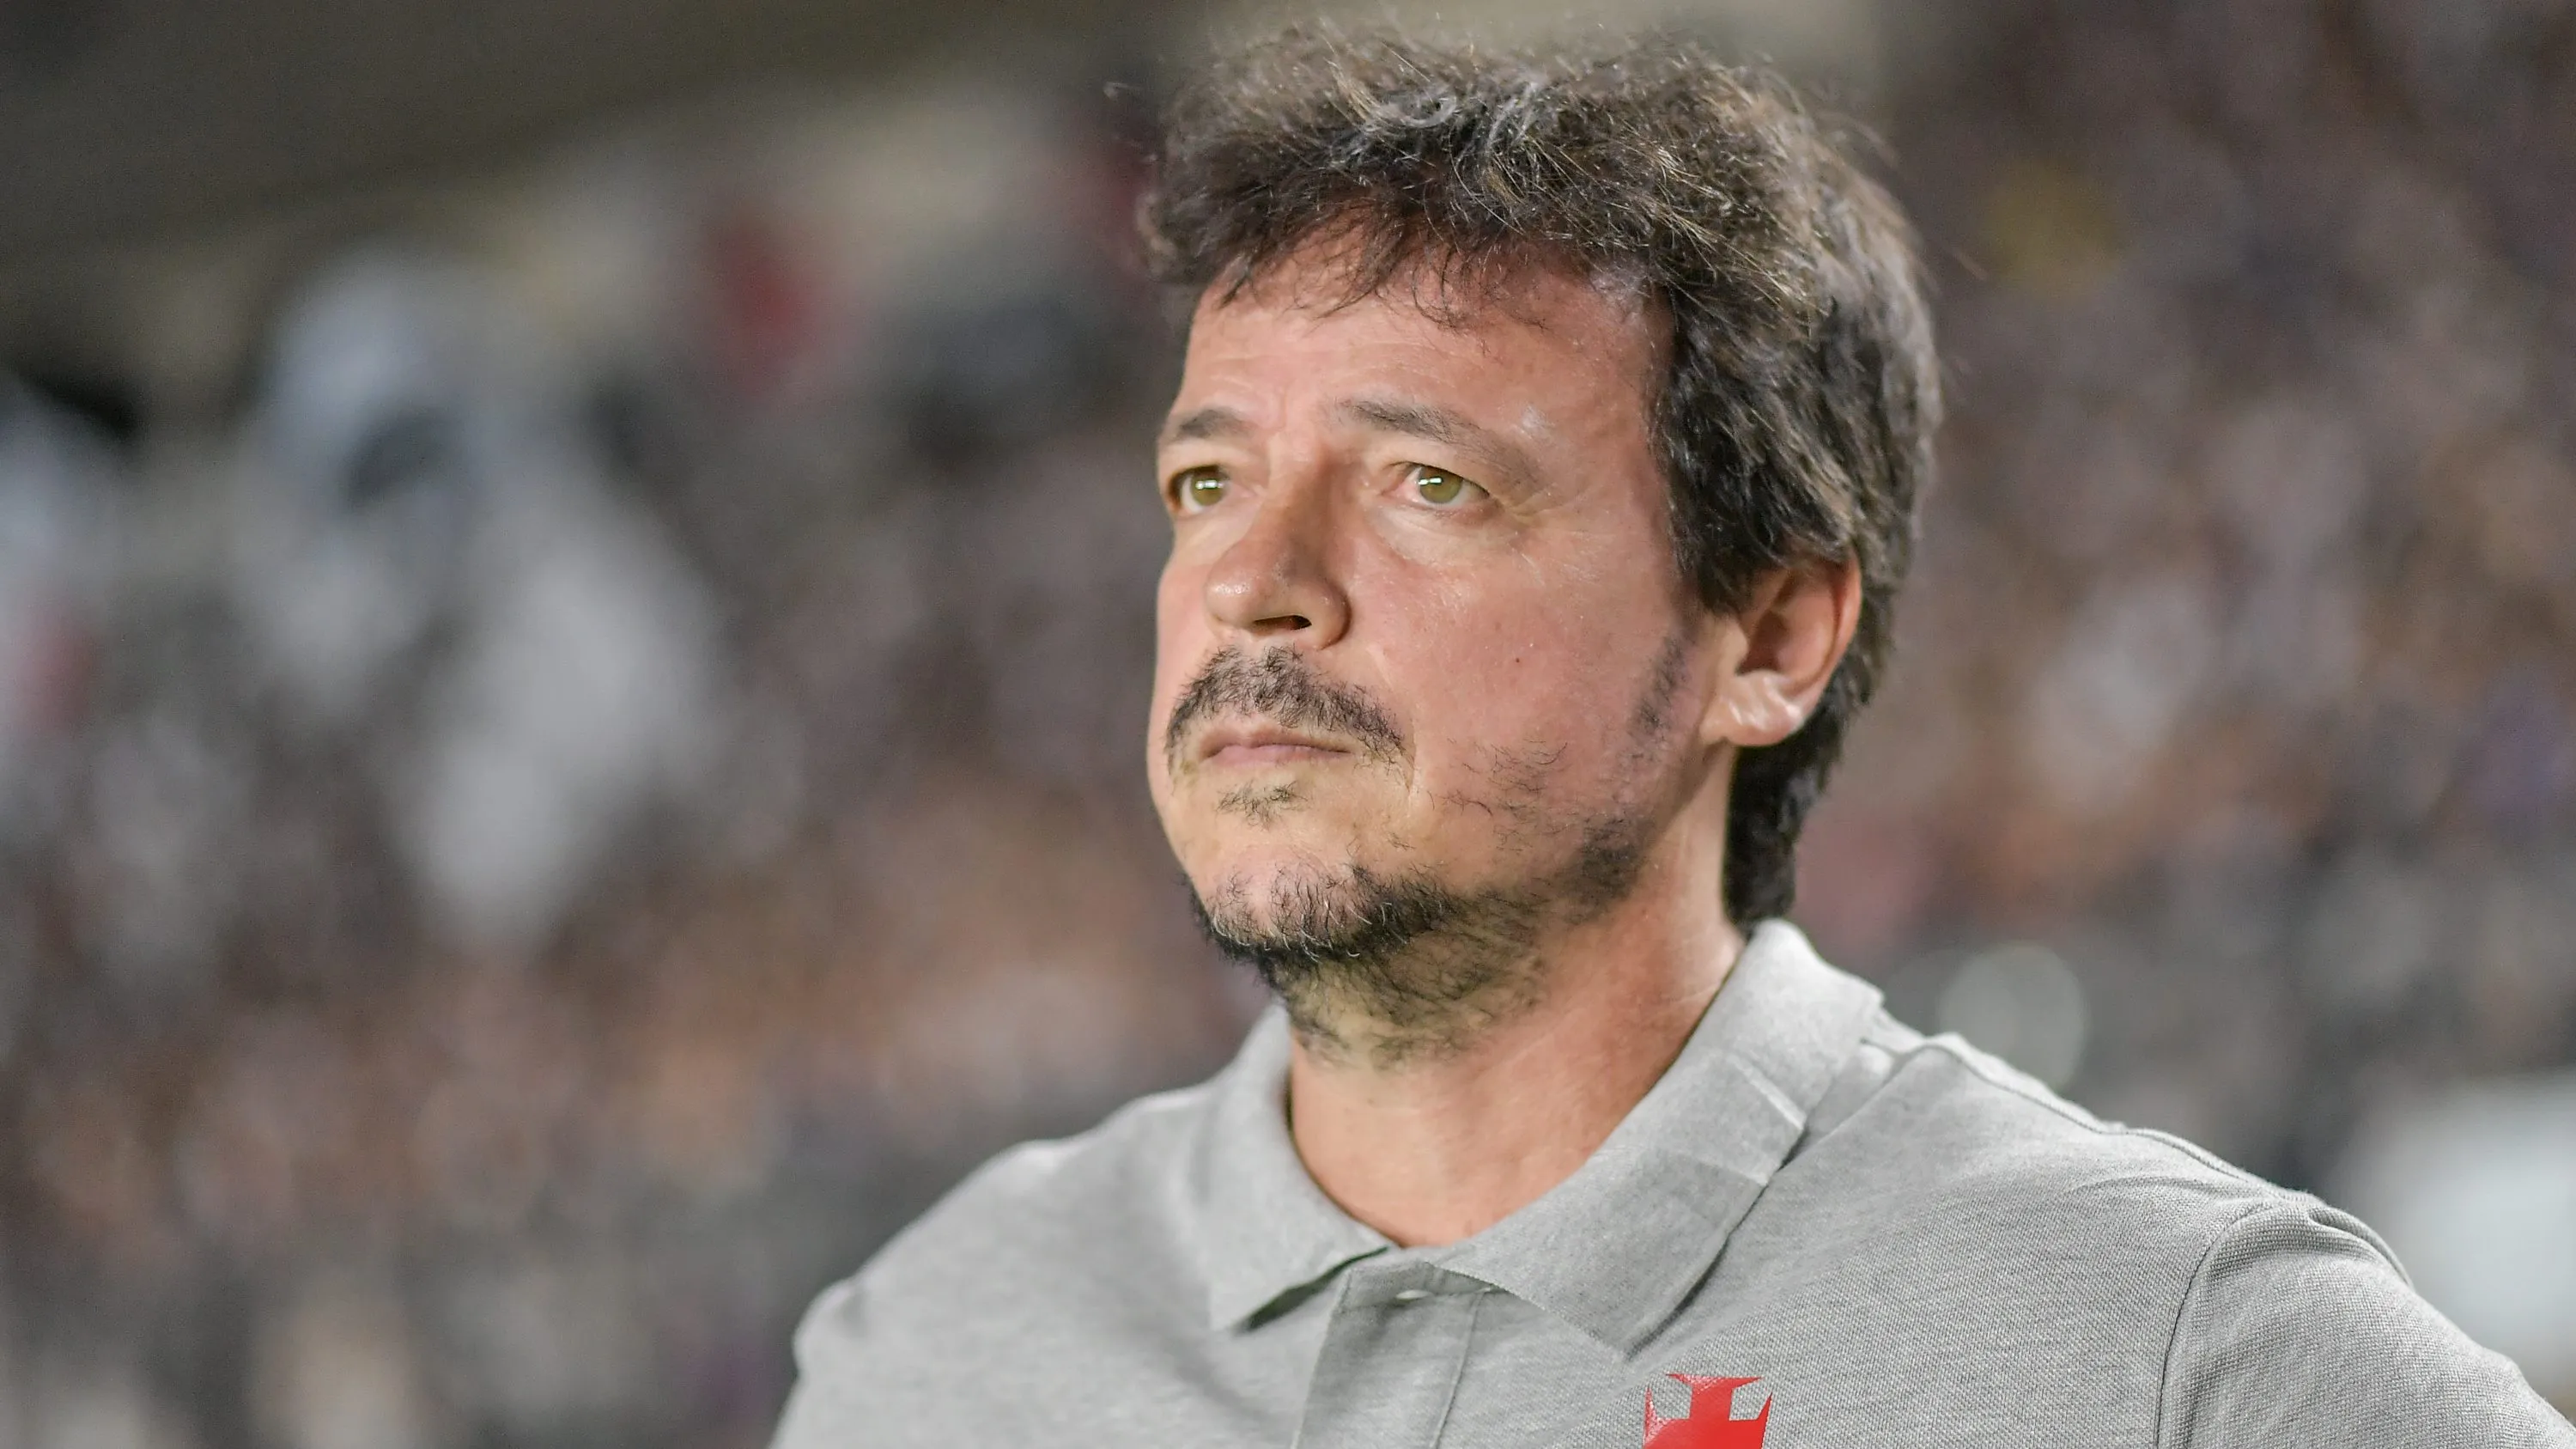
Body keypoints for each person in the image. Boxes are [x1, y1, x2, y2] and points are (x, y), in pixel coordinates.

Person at [769, 28, 2574, 1448]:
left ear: (1770, 636)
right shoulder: (930, 1349)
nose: (1257, 587)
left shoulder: (2177, 1359)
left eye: (1427, 484)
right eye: (1207, 480)